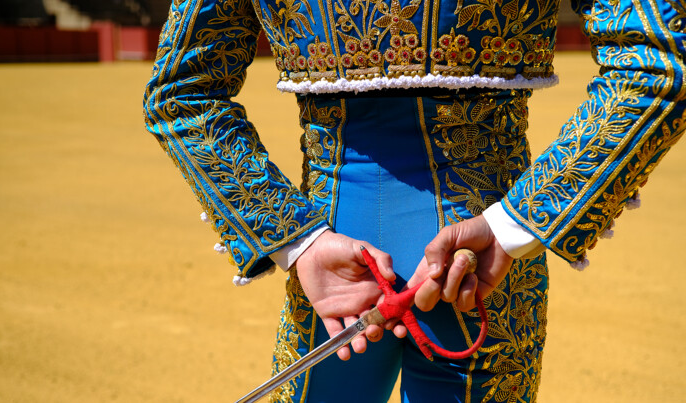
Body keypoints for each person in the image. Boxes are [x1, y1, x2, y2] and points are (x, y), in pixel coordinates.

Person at [143, 0, 685, 401]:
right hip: (479, 270)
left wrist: (297, 240)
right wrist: (514, 223)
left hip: (332, 278)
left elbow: (180, 93)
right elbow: (661, 64)